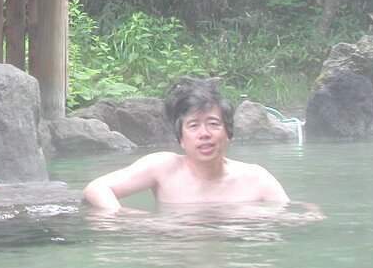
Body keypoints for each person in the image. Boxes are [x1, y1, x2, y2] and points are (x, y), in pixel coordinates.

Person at [82, 77, 290, 211]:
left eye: (213, 124)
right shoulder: (164, 167)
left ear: (229, 132)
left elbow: (290, 215)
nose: (204, 134)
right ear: (181, 138)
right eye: (193, 126)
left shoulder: (255, 177)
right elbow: (97, 188)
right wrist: (129, 220)